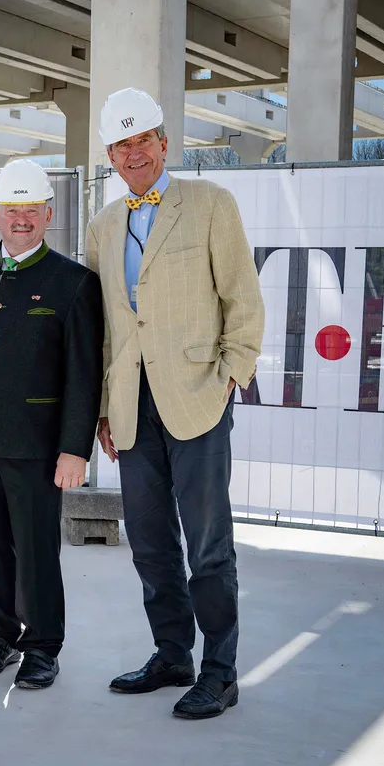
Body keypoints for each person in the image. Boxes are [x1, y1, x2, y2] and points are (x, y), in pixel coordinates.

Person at [87, 87, 263, 719]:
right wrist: (105, 405)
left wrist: (231, 374)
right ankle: (172, 654)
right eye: (122, 145)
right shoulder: (104, 225)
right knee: (150, 540)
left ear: (163, 142)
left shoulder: (212, 204)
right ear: (110, 154)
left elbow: (243, 297)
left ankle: (221, 670)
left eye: (144, 140)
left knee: (209, 543)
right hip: (133, 405)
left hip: (197, 399)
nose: (134, 153)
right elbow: (106, 324)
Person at [0, 159, 103, 689]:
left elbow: (83, 373)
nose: (22, 219)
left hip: (36, 445)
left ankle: (43, 645)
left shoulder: (73, 282)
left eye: (32, 210)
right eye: (13, 210)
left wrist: (75, 448)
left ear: (49, 214)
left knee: (35, 549)